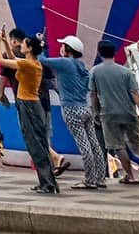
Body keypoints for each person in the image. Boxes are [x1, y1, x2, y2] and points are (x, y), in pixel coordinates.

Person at [0, 26, 58, 194]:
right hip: (32, 103)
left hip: (27, 105)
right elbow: (11, 57)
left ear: (29, 48)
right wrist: (4, 42)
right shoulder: (32, 63)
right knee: (38, 142)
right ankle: (47, 181)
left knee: (35, 143)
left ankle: (47, 183)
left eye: (24, 44)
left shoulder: (27, 64)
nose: (21, 45)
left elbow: (1, 60)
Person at [43, 36, 103, 190]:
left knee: (84, 146)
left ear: (68, 49)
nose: (61, 48)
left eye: (63, 46)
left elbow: (42, 60)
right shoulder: (82, 66)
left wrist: (41, 45)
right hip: (85, 107)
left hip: (70, 108)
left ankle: (89, 180)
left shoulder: (65, 63)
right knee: (94, 144)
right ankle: (100, 177)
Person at [92, 40, 139, 186]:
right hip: (128, 111)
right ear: (115, 53)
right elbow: (135, 92)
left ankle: (130, 175)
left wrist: (95, 111)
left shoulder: (95, 71)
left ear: (100, 53)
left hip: (108, 113)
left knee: (118, 145)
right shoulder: (125, 71)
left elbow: (94, 94)